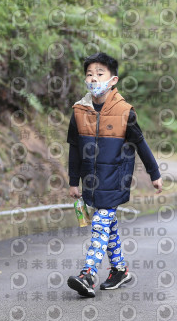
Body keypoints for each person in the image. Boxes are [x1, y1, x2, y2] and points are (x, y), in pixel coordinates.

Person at [66, 52, 163, 297]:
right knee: (107, 226)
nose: (93, 79)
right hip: (91, 180)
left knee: (100, 224)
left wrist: (154, 173)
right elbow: (74, 149)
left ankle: (88, 274)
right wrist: (73, 181)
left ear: (113, 80)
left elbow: (140, 144)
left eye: (100, 74)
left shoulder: (124, 112)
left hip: (116, 179)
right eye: (89, 74)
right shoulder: (78, 111)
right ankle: (119, 270)